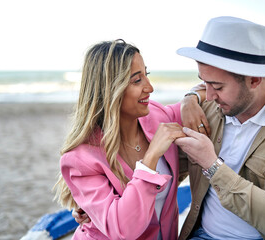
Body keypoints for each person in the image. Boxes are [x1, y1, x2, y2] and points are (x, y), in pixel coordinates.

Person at [174, 16, 265, 239]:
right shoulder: (208, 106)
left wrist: (212, 165)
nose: (210, 96)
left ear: (254, 79)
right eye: (205, 83)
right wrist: (189, 97)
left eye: (218, 86)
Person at [52, 39, 207, 240]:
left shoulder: (158, 116)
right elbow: (123, 230)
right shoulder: (80, 159)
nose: (150, 88)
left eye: (146, 75)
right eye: (137, 80)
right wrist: (150, 160)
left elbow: (213, 87)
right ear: (110, 90)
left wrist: (189, 98)